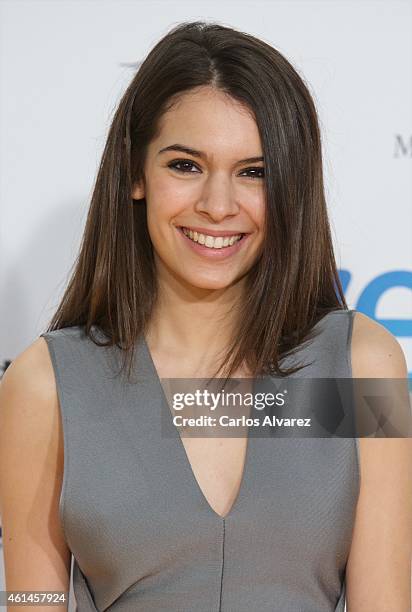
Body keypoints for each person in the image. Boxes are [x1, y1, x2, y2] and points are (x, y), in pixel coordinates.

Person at [0, 20, 411, 612]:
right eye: (186, 165)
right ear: (136, 173)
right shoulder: (46, 387)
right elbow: (31, 601)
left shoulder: (355, 369)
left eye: (254, 172)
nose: (218, 206)